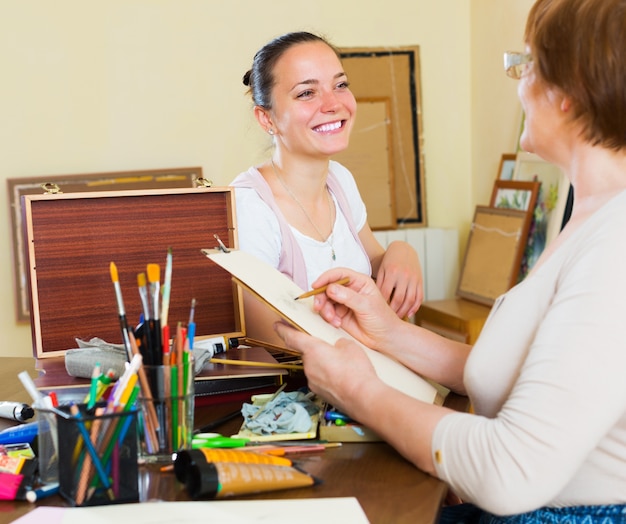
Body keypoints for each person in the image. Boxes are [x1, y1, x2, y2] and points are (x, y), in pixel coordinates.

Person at [273, 0, 626, 521]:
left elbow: (510, 470)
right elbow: (525, 372)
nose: (518, 82)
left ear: (568, 93)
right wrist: (387, 332)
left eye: (526, 66)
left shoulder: (616, 243)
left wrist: (357, 391)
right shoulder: (588, 215)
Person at [231, 32, 423, 347]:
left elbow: (373, 260)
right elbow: (264, 330)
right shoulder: (249, 206)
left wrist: (402, 251)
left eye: (340, 85)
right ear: (266, 119)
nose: (333, 104)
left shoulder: (340, 179)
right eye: (307, 92)